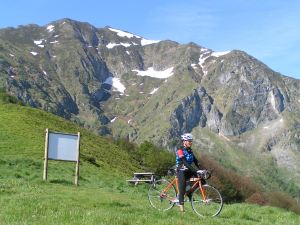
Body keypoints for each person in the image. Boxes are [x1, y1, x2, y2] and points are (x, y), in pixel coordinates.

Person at [175, 133, 201, 212]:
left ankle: (189, 193)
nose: (191, 142)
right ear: (184, 141)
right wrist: (195, 170)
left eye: (191, 141)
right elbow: (185, 162)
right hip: (181, 170)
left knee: (201, 180)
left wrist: (202, 169)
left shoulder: (190, 151)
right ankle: (182, 210)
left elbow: (196, 162)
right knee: (182, 189)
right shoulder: (180, 150)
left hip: (188, 170)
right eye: (189, 141)